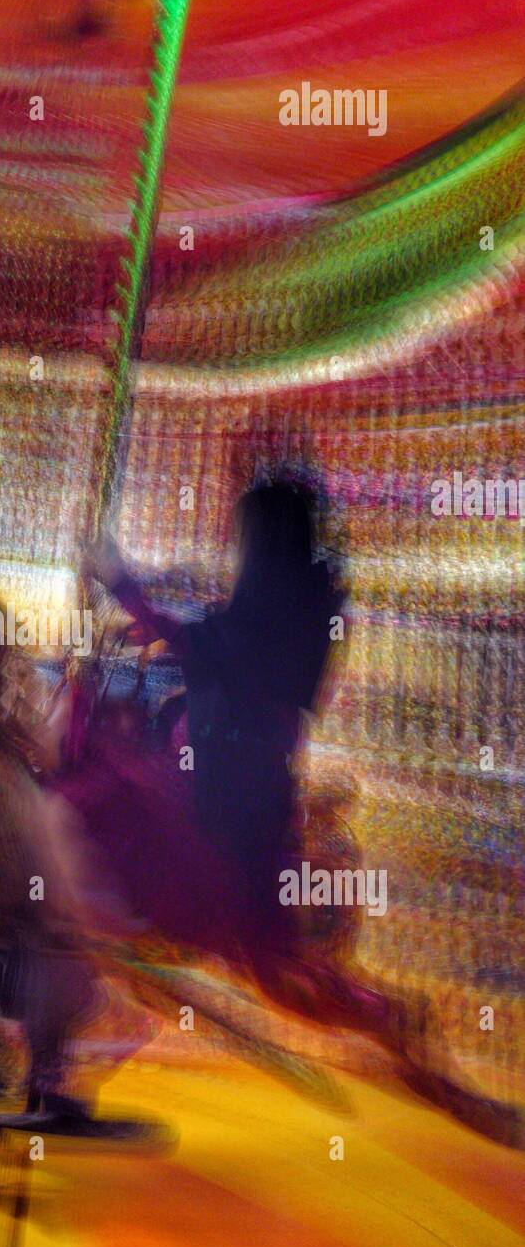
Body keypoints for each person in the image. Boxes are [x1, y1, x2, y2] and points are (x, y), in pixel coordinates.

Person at [82, 479, 521, 1144]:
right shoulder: (282, 617)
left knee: (124, 815)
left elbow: (204, 647)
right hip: (231, 788)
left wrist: (123, 584)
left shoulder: (268, 629)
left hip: (232, 808)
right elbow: (198, 645)